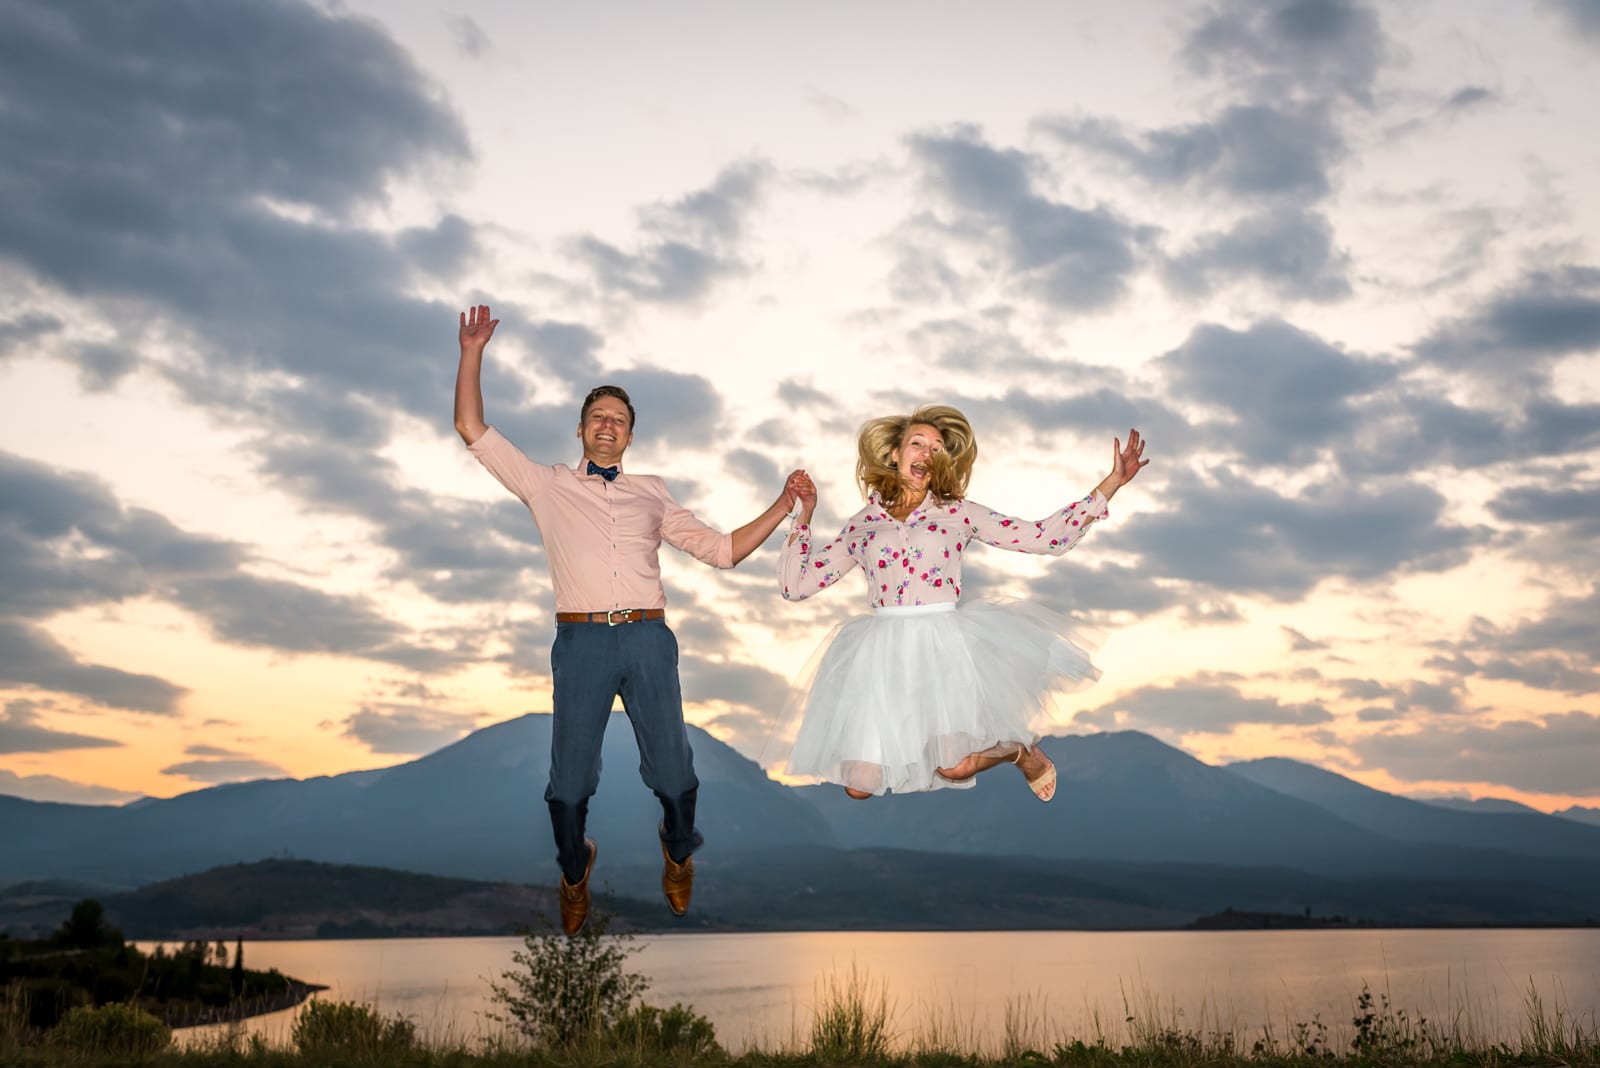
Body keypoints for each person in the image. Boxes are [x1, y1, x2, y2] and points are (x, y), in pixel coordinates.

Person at [454, 304, 807, 935]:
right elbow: (471, 426)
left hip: (647, 636)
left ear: (630, 436)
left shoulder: (653, 493)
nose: (608, 426)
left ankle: (677, 851)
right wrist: (473, 350)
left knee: (675, 773)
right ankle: (574, 868)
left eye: (619, 419)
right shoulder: (548, 485)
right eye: (598, 417)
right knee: (567, 787)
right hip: (581, 640)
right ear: (582, 430)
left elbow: (722, 551)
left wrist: (784, 503)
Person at [778, 405, 1147, 800]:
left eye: (937, 448)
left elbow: (1043, 537)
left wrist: (1110, 485)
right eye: (917, 444)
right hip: (882, 654)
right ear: (893, 455)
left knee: (956, 766)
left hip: (943, 646)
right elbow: (796, 586)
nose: (927, 454)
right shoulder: (861, 525)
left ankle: (1020, 752)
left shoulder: (957, 512)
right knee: (858, 786)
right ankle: (997, 747)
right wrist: (804, 517)